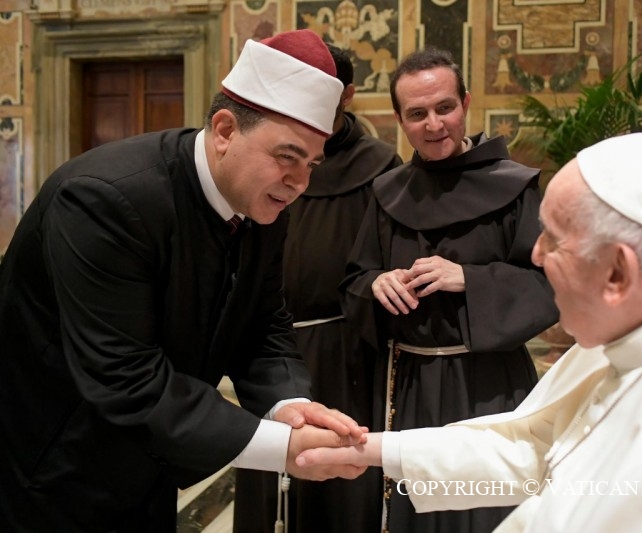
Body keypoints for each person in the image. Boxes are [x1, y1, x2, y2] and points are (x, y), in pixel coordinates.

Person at [300, 132, 642, 532]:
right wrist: (370, 451)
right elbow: (536, 452)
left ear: (618, 273)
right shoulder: (637, 330)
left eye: (553, 241)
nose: (535, 257)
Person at [0, 30, 368, 532]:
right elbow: (125, 376)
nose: (300, 183)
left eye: (311, 163)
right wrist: (280, 448)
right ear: (224, 130)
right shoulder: (101, 200)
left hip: (151, 464)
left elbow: (262, 324)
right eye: (287, 156)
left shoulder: (261, 205)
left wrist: (291, 407)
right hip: (51, 470)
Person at [338, 47, 559, 533]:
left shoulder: (514, 188)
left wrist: (472, 279)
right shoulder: (387, 193)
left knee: (486, 512)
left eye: (445, 108)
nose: (434, 124)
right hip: (407, 384)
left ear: (466, 103)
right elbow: (353, 281)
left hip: (491, 388)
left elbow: (550, 285)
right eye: (417, 114)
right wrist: (376, 284)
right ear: (399, 119)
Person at [233, 44, 403, 533]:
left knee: (340, 481)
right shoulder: (261, 153)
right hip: (266, 348)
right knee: (270, 481)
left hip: (345, 349)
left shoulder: (378, 164)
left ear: (346, 95)